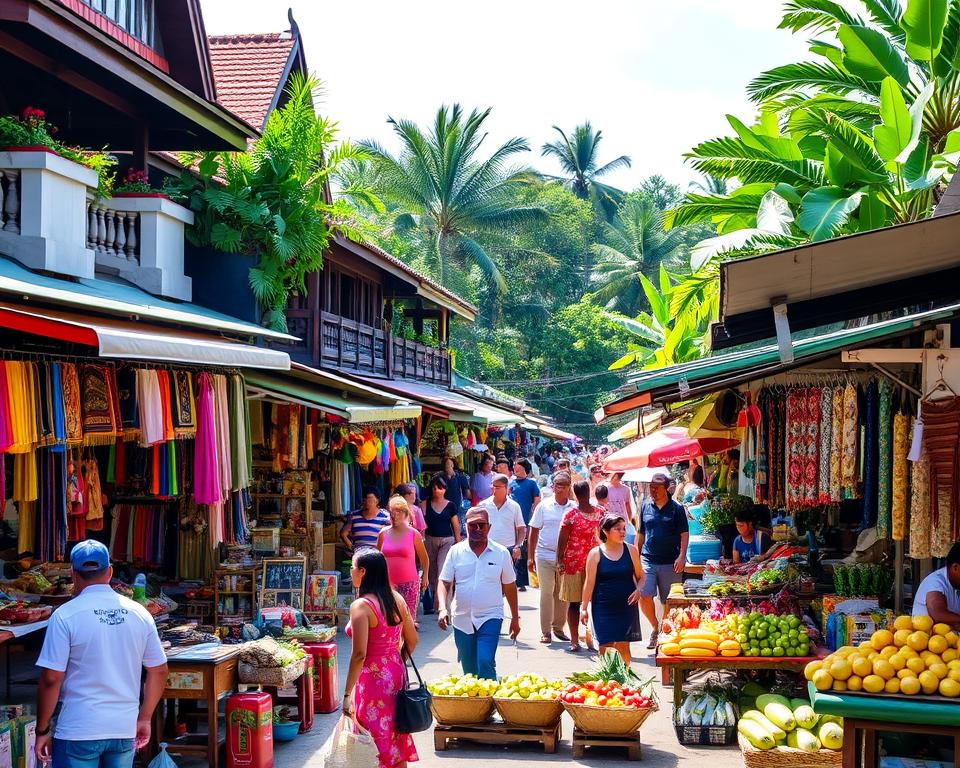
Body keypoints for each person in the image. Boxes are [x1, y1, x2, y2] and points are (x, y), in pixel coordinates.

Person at [35, 540, 168, 768]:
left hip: (78, 730)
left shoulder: (65, 615)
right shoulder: (139, 613)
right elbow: (159, 671)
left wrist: (42, 729)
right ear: (109, 572)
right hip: (123, 729)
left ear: (73, 574)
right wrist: (144, 717)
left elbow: (51, 679)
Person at [343, 548, 419, 768]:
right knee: (396, 734)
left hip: (372, 679)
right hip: (395, 673)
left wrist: (347, 694)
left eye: (353, 567)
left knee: (372, 738)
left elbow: (359, 654)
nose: (351, 571)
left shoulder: (361, 606)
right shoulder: (396, 599)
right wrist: (393, 661)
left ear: (363, 572)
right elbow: (412, 641)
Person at [437, 507, 520, 680]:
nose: (478, 529)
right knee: (470, 671)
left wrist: (515, 618)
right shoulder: (456, 551)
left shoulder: (501, 553)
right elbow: (444, 581)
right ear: (465, 527)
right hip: (461, 618)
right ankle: (477, 706)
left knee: (485, 661)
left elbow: (510, 586)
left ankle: (491, 702)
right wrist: (442, 609)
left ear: (489, 527)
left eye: (482, 525)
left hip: (491, 616)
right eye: (473, 525)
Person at [581, 515, 645, 664]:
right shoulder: (595, 554)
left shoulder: (631, 551)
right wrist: (583, 608)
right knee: (605, 646)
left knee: (623, 646)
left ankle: (624, 682)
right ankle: (606, 682)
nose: (622, 532)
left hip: (626, 606)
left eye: (624, 528)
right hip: (603, 607)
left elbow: (641, 576)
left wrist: (639, 590)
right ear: (605, 531)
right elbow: (589, 583)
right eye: (617, 529)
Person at [637, 472, 689, 649]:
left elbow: (684, 534)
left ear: (667, 489)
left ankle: (665, 632)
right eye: (651, 487)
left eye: (657, 487)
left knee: (670, 601)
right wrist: (636, 559)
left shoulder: (677, 509)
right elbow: (641, 533)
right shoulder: (645, 506)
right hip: (648, 559)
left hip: (670, 561)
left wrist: (682, 556)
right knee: (644, 595)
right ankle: (655, 626)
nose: (653, 490)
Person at [528, 472, 575, 644]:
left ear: (569, 487)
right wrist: (530, 556)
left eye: (563, 485)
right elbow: (533, 530)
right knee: (546, 593)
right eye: (556, 484)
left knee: (562, 594)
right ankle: (546, 631)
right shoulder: (544, 506)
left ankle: (558, 627)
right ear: (552, 486)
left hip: (566, 558)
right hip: (544, 555)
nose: (559, 488)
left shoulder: (573, 508)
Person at [556, 480, 603, 653]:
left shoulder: (578, 514)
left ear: (574, 494)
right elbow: (563, 538)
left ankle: (580, 641)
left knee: (578, 604)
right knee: (580, 603)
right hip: (583, 563)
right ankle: (578, 640)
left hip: (584, 562)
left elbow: (562, 539)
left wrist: (559, 559)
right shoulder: (595, 513)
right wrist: (560, 559)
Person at [378, 496, 430, 624]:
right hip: (387, 585)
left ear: (406, 514)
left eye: (399, 512)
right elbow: (377, 558)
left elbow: (425, 559)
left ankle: (407, 644)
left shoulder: (413, 534)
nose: (395, 516)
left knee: (407, 621)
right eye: (392, 513)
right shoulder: (383, 533)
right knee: (388, 621)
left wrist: (425, 576)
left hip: (409, 584)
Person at [423, 475, 462, 613]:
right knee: (432, 575)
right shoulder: (425, 504)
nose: (437, 491)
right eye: (434, 488)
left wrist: (458, 543)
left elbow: (455, 526)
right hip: (429, 540)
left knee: (442, 571)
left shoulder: (451, 505)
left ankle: (446, 605)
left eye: (439, 488)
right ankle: (437, 602)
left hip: (447, 541)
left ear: (445, 489)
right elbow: (421, 524)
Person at [480, 474, 526, 568]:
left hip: (508, 550)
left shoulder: (514, 506)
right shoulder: (483, 506)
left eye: (497, 487)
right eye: (492, 486)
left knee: (509, 581)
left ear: (506, 488)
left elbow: (521, 529)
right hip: (488, 549)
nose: (494, 490)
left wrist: (518, 547)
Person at [509, 459, 541, 591]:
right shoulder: (511, 483)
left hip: (526, 520)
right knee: (513, 546)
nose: (516, 469)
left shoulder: (531, 484)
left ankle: (522, 581)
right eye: (515, 467)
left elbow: (537, 501)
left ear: (525, 469)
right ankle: (512, 578)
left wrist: (532, 518)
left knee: (523, 548)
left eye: (519, 467)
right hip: (511, 521)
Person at [913, 541, 960, 626]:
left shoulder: (956, 584)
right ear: (955, 567)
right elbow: (938, 615)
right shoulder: (935, 582)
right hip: (924, 638)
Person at [341, 488, 391, 552]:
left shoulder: (385, 517)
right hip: (359, 555)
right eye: (365, 500)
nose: (367, 502)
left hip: (377, 556)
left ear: (377, 501)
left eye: (370, 500)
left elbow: (392, 537)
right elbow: (343, 534)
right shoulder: (354, 516)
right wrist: (352, 548)